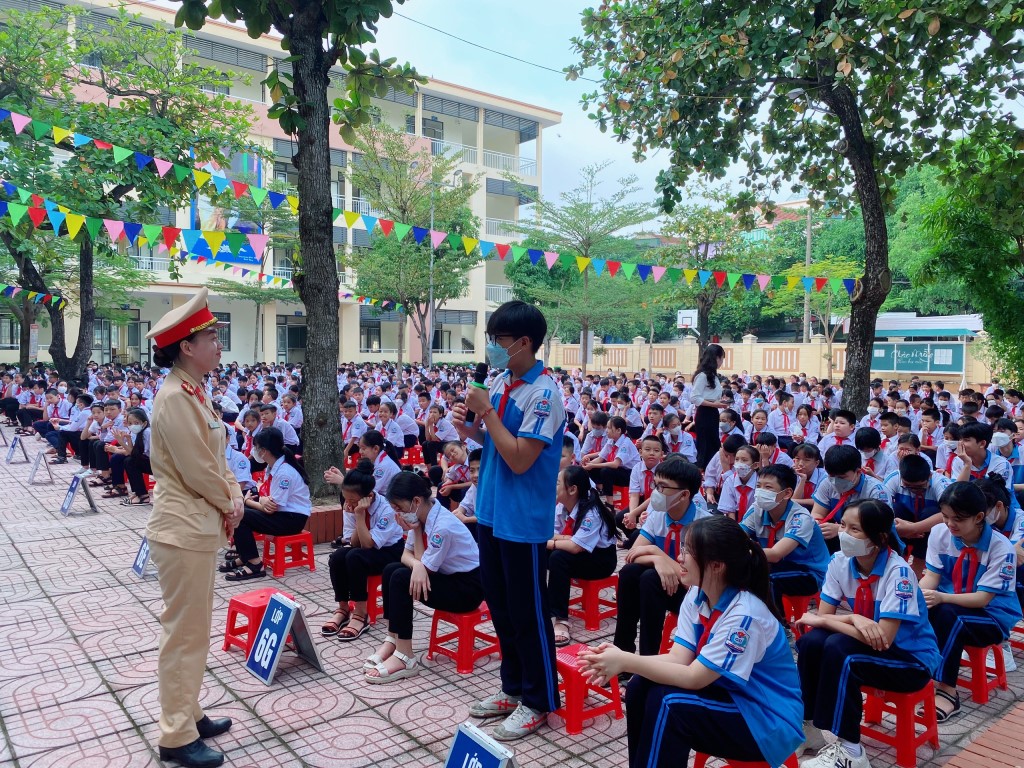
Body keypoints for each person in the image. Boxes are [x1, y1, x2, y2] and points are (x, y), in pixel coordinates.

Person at [578, 515, 804, 768]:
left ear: (717, 565)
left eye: (689, 551)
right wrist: (621, 661)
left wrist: (626, 660)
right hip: (730, 695)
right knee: (641, 685)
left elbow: (694, 677)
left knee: (670, 704)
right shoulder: (698, 593)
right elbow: (679, 658)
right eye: (683, 547)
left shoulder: (744, 615)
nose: (680, 557)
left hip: (766, 720)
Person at [451, 300, 566, 741]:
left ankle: (538, 698)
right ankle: (513, 687)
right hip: (492, 513)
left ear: (522, 343)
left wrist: (490, 413)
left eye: (497, 340)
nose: (491, 348)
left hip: (522, 520)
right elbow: (496, 444)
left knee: (529, 611)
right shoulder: (502, 379)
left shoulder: (545, 394)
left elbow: (520, 459)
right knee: (501, 607)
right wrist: (471, 429)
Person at [144, 288, 243, 768]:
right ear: (186, 346)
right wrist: (231, 501)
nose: (218, 346)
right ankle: (176, 735)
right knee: (184, 634)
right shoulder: (175, 398)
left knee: (194, 631)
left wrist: (235, 496)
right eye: (211, 337)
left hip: (197, 524)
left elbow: (217, 461)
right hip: (182, 528)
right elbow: (198, 469)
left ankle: (190, 710)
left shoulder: (194, 392)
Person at [796, 499, 940, 767]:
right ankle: (810, 727)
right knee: (812, 642)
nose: (844, 534)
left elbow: (882, 638)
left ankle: (852, 752)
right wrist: (852, 617)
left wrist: (831, 621)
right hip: (872, 649)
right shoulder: (840, 562)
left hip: (910, 661)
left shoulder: (898, 573)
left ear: (879, 538)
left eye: (855, 530)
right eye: (843, 526)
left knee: (840, 650)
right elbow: (824, 619)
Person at [919, 481, 1022, 721]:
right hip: (952, 605)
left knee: (946, 613)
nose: (950, 524)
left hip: (991, 618)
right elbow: (932, 577)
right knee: (923, 610)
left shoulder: (1001, 548)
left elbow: (983, 599)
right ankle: (920, 674)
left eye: (958, 519)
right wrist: (917, 598)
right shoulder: (939, 533)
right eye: (945, 516)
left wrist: (942, 597)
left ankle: (947, 691)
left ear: (978, 517)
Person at [369, 472, 483, 683]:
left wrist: (419, 563)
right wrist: (418, 561)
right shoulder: (421, 517)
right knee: (391, 570)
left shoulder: (442, 526)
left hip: (468, 588)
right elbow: (406, 556)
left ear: (416, 501)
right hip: (448, 577)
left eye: (399, 508)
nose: (398, 514)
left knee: (402, 579)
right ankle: (392, 638)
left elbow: (424, 568)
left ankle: (406, 657)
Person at [614, 457, 709, 657]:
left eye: (662, 487)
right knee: (630, 572)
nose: (655, 492)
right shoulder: (658, 515)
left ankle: (649, 660)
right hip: (664, 586)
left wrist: (658, 554)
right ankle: (622, 650)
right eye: (655, 485)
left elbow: (699, 580)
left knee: (650, 579)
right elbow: (633, 555)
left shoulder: (703, 526)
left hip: (693, 595)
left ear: (684, 494)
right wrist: (658, 560)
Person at [322, 459, 404, 641]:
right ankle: (343, 608)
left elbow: (367, 545)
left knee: (354, 558)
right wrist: (355, 512)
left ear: (369, 496)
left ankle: (361, 614)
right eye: (346, 498)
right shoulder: (351, 505)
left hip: (391, 552)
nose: (348, 504)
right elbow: (354, 542)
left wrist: (360, 516)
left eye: (352, 500)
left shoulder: (386, 509)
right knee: (338, 557)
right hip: (366, 549)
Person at [220, 427, 311, 582]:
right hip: (283, 514)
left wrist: (246, 500)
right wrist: (258, 501)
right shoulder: (274, 467)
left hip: (291, 520)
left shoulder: (284, 472)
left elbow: (270, 508)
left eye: (256, 447)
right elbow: (266, 501)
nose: (254, 451)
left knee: (241, 514)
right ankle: (245, 556)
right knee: (242, 510)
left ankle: (255, 564)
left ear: (264, 451)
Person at [741, 465, 829, 613]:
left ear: (787, 493)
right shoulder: (757, 509)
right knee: (740, 573)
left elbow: (775, 555)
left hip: (809, 572)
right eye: (758, 486)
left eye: (768, 487)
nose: (761, 492)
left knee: (768, 581)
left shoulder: (801, 518)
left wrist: (740, 552)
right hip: (778, 565)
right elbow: (737, 535)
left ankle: (780, 627)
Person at [548, 465, 619, 647]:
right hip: (582, 552)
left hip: (601, 560)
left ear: (572, 489)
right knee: (539, 553)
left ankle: (561, 620)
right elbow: (550, 533)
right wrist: (555, 540)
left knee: (557, 557)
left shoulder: (591, 513)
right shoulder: (561, 507)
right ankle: (542, 606)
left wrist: (552, 542)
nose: (551, 486)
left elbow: (575, 547)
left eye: (556, 483)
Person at [689, 343, 730, 469]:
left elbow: (710, 395)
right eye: (722, 358)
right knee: (706, 444)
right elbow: (694, 397)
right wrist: (714, 404)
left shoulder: (713, 376)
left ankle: (712, 469)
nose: (722, 361)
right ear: (716, 358)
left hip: (712, 412)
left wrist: (719, 402)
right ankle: (704, 470)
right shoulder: (703, 375)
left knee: (713, 443)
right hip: (705, 412)